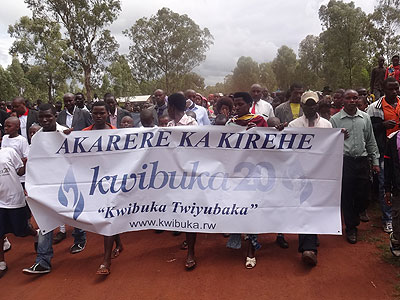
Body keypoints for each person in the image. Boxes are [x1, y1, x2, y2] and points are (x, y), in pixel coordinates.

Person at [23, 103, 72, 274]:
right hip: (46, 186)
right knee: (45, 220)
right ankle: (43, 260)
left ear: (55, 116)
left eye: (48, 116)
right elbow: (34, 162)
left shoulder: (66, 132)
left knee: (75, 215)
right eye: (41, 117)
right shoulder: (36, 137)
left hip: (68, 184)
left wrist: (69, 137)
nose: (44, 120)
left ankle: (80, 238)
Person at [287, 91, 332, 266]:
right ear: (303, 105)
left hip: (321, 173)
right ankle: (309, 248)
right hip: (300, 173)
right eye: (307, 104)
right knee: (304, 207)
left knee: (316, 207)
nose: (310, 107)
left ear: (317, 105)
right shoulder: (293, 124)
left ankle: (311, 239)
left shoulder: (327, 126)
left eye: (313, 104)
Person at [330, 89, 380, 244]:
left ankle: (357, 212)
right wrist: (338, 138)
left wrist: (375, 161)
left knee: (364, 195)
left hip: (363, 160)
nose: (352, 101)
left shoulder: (364, 117)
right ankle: (351, 227)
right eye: (349, 98)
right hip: (345, 162)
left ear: (358, 100)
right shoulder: (335, 120)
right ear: (343, 100)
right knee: (347, 195)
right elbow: (329, 144)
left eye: (355, 98)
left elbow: (370, 140)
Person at [225, 92, 267, 269]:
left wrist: (256, 133)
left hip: (255, 172)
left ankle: (251, 249)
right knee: (237, 206)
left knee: (253, 209)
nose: (236, 107)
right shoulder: (231, 122)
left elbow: (269, 143)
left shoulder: (259, 121)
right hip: (235, 173)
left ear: (250, 104)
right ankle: (237, 236)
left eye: (240, 104)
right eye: (235, 104)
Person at [81, 101, 122, 275]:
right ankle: (119, 243)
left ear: (107, 113)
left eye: (102, 113)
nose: (98, 116)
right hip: (92, 182)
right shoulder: (83, 134)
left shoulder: (116, 133)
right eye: (95, 113)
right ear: (91, 114)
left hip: (112, 181)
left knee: (108, 216)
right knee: (105, 215)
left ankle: (106, 261)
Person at [167, 93, 198, 269]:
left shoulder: (192, 124)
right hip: (174, 175)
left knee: (189, 211)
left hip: (190, 175)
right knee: (180, 210)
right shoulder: (169, 125)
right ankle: (188, 241)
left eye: (168, 107)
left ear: (172, 107)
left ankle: (191, 252)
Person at [367, 77, 400, 233]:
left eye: (396, 88)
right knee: (384, 184)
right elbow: (367, 129)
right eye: (390, 89)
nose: (394, 92)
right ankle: (388, 219)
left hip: (399, 150)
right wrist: (382, 125)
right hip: (383, 151)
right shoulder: (374, 108)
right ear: (383, 90)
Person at [0, 146, 38, 278]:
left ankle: (35, 234)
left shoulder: (8, 152)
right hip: (0, 202)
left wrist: (26, 162)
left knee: (21, 230)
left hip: (14, 197)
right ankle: (1, 263)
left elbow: (20, 171)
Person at [384, 129, 400, 256]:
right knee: (397, 215)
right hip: (397, 186)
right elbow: (388, 167)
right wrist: (387, 189)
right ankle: (396, 240)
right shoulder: (393, 140)